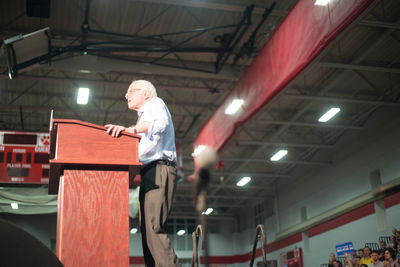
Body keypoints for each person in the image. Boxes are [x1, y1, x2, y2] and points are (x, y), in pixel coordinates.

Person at [105, 80, 180, 267]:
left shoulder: (155, 103)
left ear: (146, 93)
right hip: (148, 172)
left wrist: (131, 131)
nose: (126, 95)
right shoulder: (145, 115)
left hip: (159, 170)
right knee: (147, 230)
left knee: (153, 227)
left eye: (131, 91)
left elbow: (160, 124)